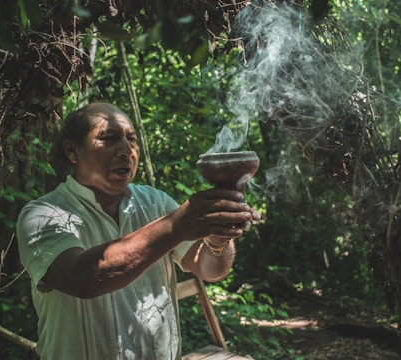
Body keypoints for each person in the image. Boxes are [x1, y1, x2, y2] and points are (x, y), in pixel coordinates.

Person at [16, 102, 260, 360]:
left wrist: (218, 238)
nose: (126, 150)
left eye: (131, 140)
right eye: (108, 139)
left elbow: (211, 269)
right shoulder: (42, 215)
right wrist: (175, 226)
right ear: (72, 151)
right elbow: (83, 278)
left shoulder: (155, 202)